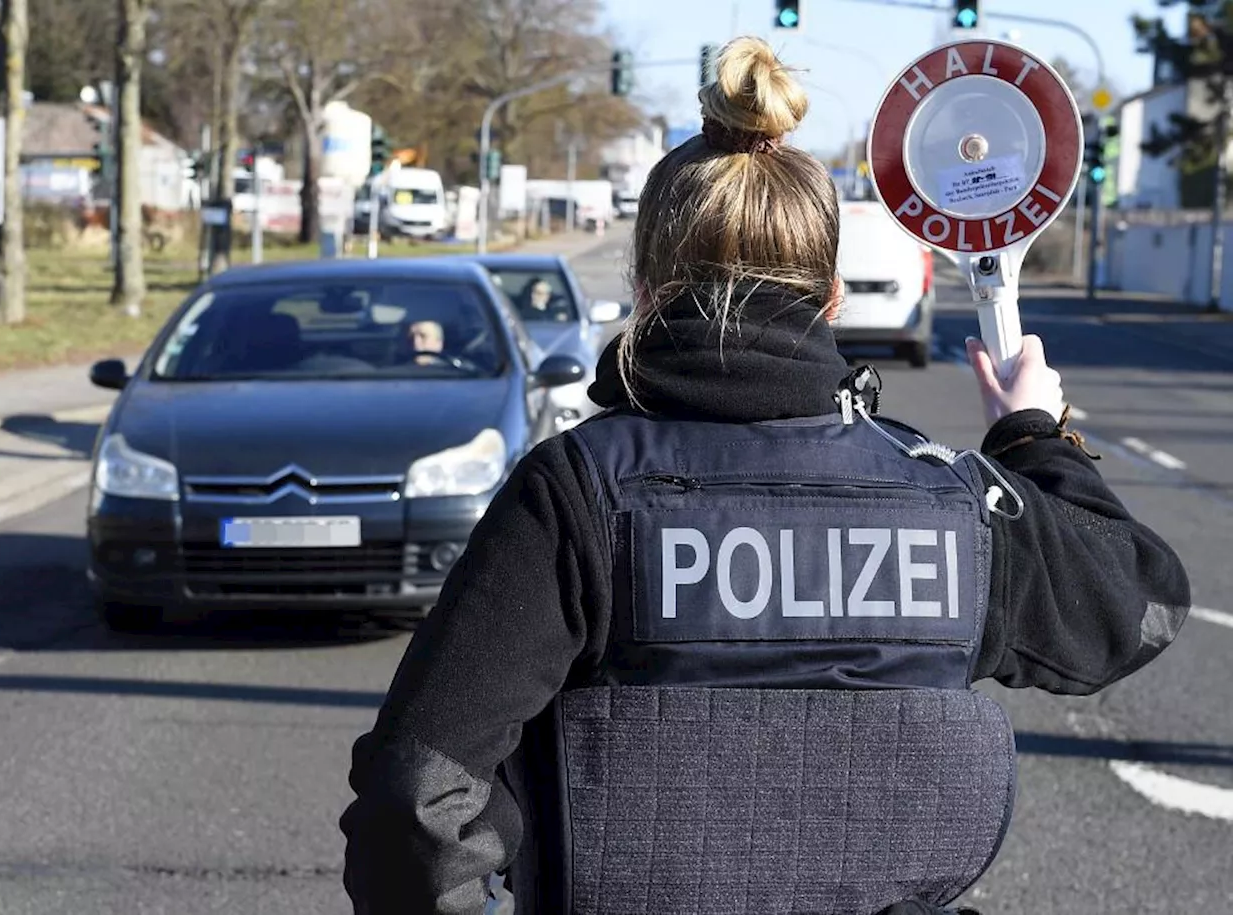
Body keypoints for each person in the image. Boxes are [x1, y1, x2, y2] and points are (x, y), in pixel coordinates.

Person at [340, 37, 1190, 915]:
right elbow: (1139, 607)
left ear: (644, 286)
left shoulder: (577, 494)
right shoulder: (955, 505)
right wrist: (1032, 436)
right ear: (831, 295)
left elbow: (416, 798)